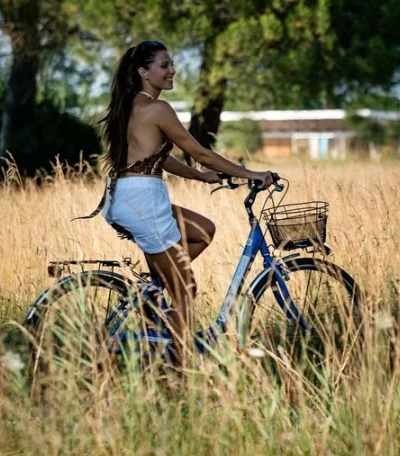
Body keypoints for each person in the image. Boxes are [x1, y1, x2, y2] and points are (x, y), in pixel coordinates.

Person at [77, 40, 276, 367]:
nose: (172, 71)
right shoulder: (157, 109)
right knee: (186, 289)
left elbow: (159, 158)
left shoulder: (132, 106)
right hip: (143, 199)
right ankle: (177, 368)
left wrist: (201, 177)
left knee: (204, 231)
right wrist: (251, 173)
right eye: (164, 65)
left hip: (127, 195)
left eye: (172, 64)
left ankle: (155, 302)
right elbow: (200, 152)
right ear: (144, 72)